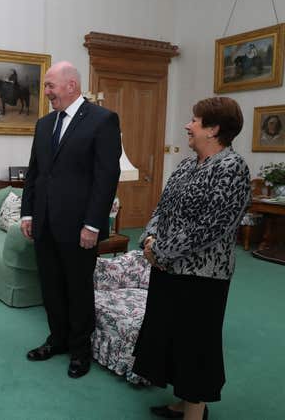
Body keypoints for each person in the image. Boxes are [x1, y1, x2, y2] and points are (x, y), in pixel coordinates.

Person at [133, 97, 251, 420]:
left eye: (195, 120)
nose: (188, 125)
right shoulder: (186, 164)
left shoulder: (233, 168)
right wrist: (149, 238)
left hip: (203, 277)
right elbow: (163, 206)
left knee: (196, 345)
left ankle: (195, 413)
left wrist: (160, 250)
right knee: (170, 338)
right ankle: (181, 402)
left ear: (213, 129)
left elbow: (212, 226)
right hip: (168, 269)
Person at [20, 61, 121, 379]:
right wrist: (28, 212)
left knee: (78, 290)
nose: (46, 92)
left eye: (50, 85)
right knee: (50, 287)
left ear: (72, 85)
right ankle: (57, 340)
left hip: (79, 227)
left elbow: (106, 177)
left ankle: (80, 351)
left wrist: (93, 224)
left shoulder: (103, 120)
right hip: (44, 223)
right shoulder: (44, 123)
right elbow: (34, 173)